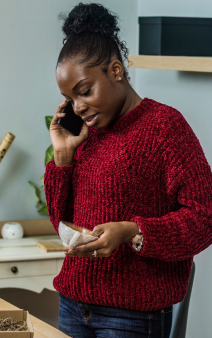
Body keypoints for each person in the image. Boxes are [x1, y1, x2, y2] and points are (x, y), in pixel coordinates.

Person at [44, 3, 212, 338]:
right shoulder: (84, 136)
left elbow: (204, 217)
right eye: (70, 99)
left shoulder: (165, 126)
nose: (79, 107)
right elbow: (59, 222)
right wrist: (62, 158)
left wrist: (133, 231)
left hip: (133, 316)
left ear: (116, 70)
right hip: (74, 304)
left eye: (85, 91)